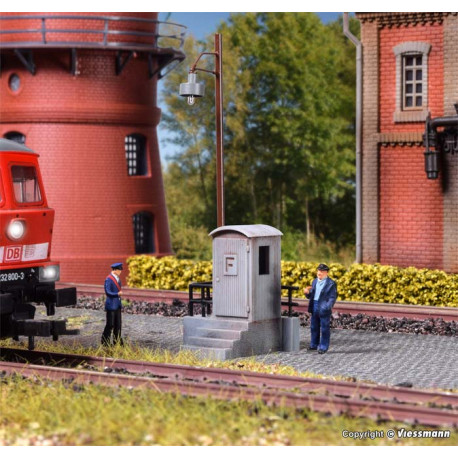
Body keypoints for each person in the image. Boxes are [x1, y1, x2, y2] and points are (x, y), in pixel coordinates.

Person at [304, 263, 337, 354]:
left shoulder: (331, 284)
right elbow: (311, 295)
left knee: (324, 327)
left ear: (326, 273)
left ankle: (323, 346)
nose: (319, 273)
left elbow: (332, 297)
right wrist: (307, 293)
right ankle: (314, 344)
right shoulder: (314, 281)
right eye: (318, 271)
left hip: (323, 306)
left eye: (322, 271)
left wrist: (327, 306)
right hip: (314, 305)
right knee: (314, 326)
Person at [101, 262, 124, 346]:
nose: (120, 271)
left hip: (117, 304)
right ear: (114, 270)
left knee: (118, 325)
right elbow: (108, 292)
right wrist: (117, 294)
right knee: (110, 324)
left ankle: (117, 341)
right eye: (119, 270)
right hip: (111, 305)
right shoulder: (109, 279)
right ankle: (105, 342)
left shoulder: (118, 279)